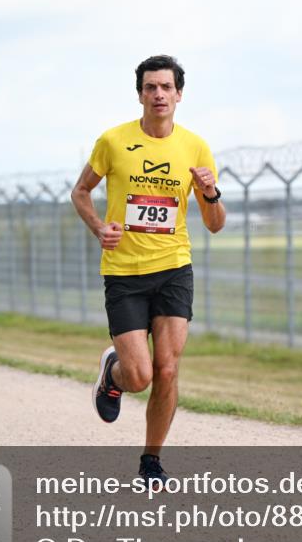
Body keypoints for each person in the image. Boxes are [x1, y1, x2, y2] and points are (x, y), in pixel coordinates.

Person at [70, 54, 225, 486]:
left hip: (174, 267)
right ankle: (114, 373)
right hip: (124, 272)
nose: (158, 94)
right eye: (149, 87)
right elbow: (80, 192)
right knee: (140, 376)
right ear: (140, 94)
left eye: (165, 87)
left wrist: (210, 193)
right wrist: (100, 227)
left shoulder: (194, 146)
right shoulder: (113, 142)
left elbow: (215, 224)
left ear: (179, 94)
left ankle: (151, 461)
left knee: (169, 369)